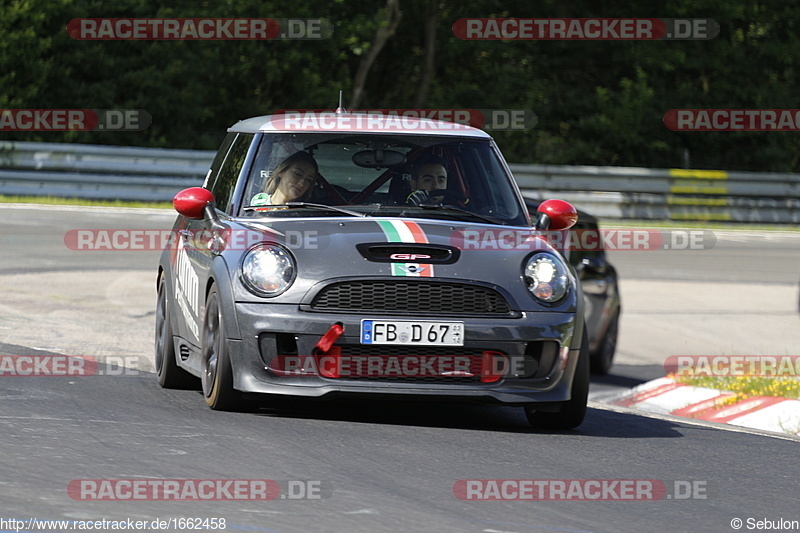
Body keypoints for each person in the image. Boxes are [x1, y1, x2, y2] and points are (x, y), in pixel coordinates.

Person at [251, 151, 319, 206]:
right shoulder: (254, 206)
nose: (302, 184)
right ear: (281, 172)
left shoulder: (307, 216)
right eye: (297, 174)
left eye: (309, 180)